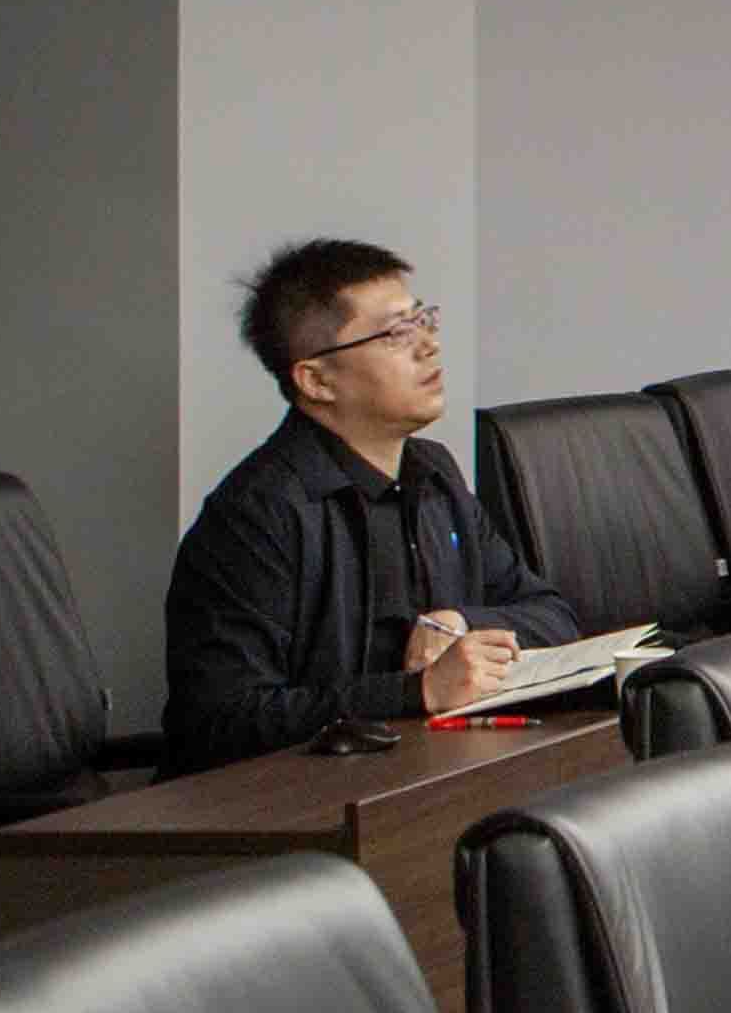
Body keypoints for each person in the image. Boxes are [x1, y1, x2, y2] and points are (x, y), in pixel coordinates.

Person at [162, 238, 586, 769]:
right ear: (316, 380)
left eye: (424, 320)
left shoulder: (434, 475)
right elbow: (220, 719)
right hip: (292, 798)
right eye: (396, 334)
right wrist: (417, 691)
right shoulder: (256, 515)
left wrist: (461, 622)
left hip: (425, 772)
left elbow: (553, 615)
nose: (428, 346)